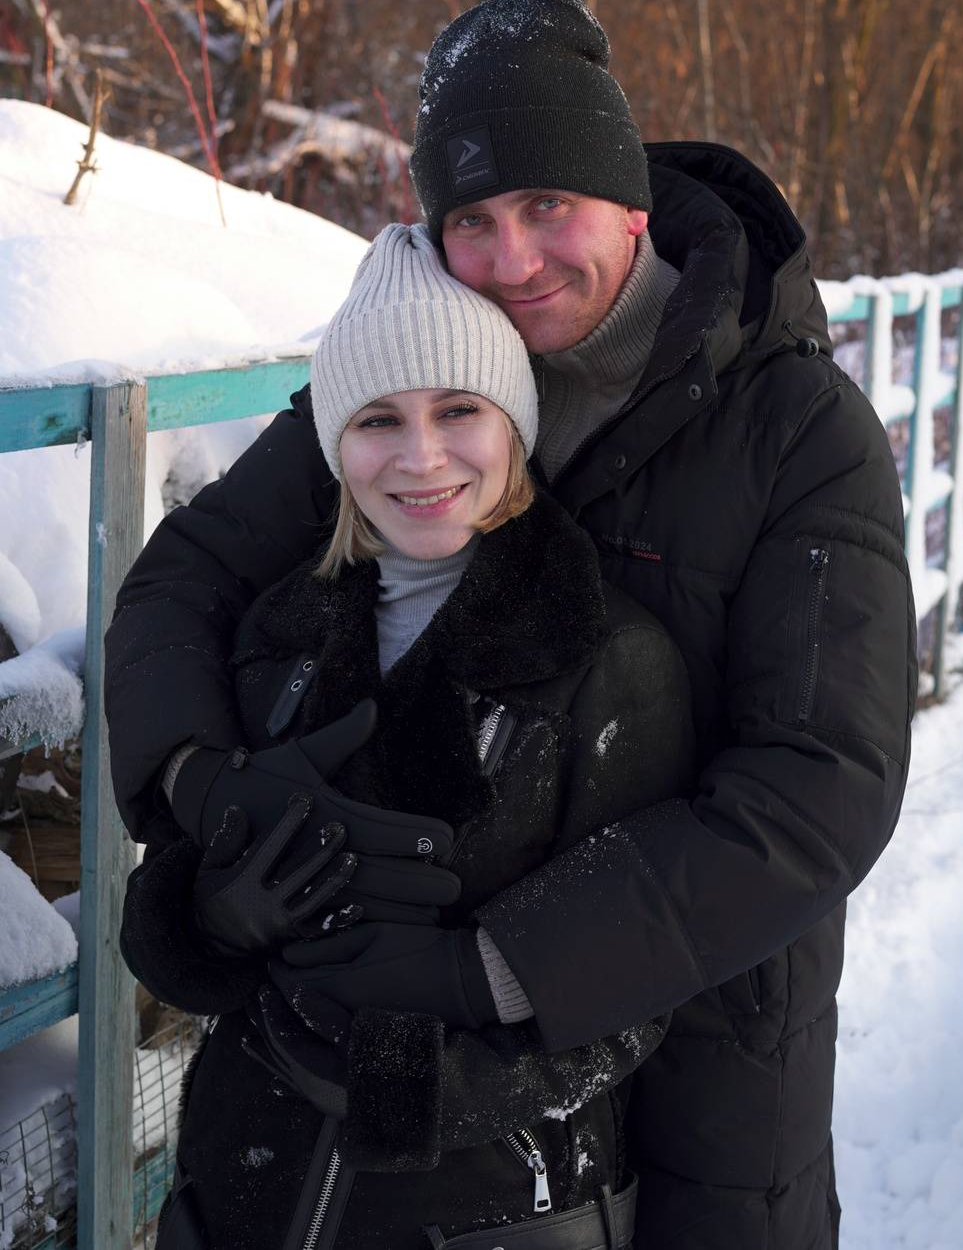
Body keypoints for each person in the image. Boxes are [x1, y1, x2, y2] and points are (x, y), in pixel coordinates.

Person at [107, 0, 917, 1250]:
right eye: (472, 221)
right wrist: (204, 783)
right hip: (425, 1095)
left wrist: (494, 965)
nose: (515, 259)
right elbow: (185, 578)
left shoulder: (797, 432)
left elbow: (821, 786)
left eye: (549, 206)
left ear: (630, 204)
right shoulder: (434, 375)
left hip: (705, 1038)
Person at [120, 223, 695, 1249]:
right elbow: (175, 903)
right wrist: (209, 919)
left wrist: (405, 1086)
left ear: (514, 423)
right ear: (335, 445)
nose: (421, 456)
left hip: (480, 1212)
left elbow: (632, 989)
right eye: (378, 418)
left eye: (459, 409)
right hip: (242, 1189)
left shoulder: (609, 659)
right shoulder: (277, 633)